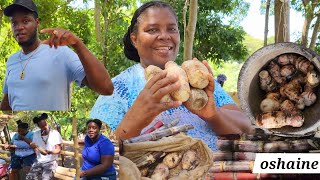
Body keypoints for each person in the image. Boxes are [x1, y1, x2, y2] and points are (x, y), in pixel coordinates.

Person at [90, 1, 252, 150]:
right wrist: (136, 118)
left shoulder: (198, 80)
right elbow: (94, 152)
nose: (165, 36)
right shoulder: (118, 88)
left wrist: (213, 114)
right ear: (135, 39)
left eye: (171, 29)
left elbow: (245, 127)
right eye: (152, 30)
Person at [0, 0, 114, 111]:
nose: (19, 27)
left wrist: (77, 44)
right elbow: (8, 101)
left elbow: (106, 88)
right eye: (14, 23)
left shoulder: (59, 52)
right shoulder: (12, 60)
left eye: (25, 21)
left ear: (37, 23)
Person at [26, 113, 62, 180]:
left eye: (45, 125)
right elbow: (35, 149)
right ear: (39, 126)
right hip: (39, 161)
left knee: (45, 178)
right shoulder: (36, 134)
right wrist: (34, 147)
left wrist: (50, 152)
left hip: (52, 161)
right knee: (29, 178)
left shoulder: (55, 133)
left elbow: (58, 149)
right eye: (41, 126)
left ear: (47, 122)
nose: (44, 127)